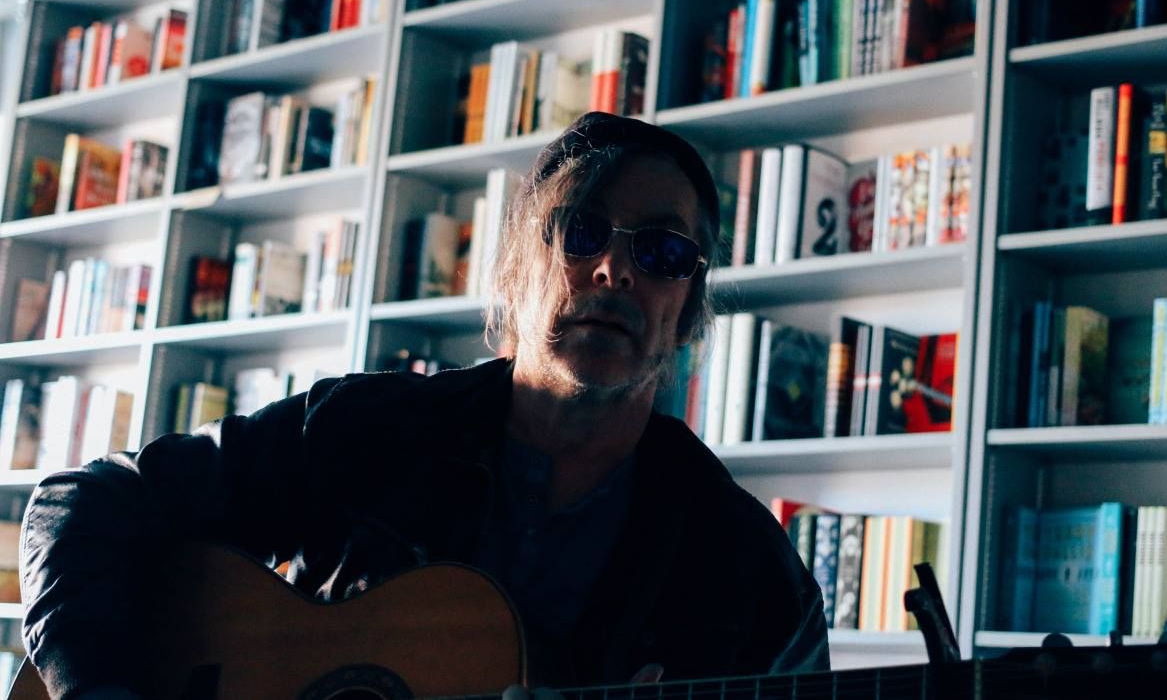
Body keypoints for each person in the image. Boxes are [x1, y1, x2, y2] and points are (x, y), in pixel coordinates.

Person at [19, 112, 830, 699]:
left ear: (688, 310)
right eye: (582, 231)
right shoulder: (367, 430)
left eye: (662, 250)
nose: (614, 270)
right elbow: (80, 503)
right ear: (519, 267)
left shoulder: (748, 572)